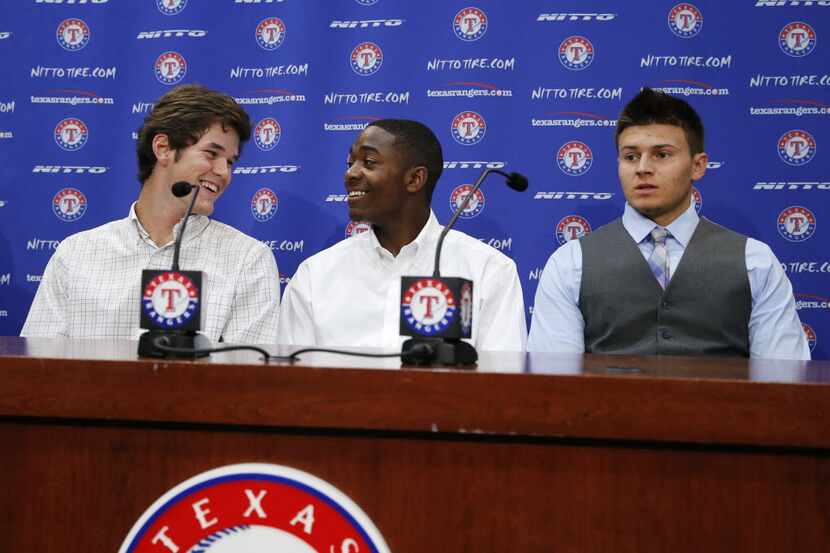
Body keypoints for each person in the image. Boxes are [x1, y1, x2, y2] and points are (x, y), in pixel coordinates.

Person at [528, 88, 809, 359]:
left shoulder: (755, 262)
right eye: (631, 156)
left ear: (698, 166)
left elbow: (784, 384)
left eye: (662, 154)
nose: (643, 168)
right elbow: (553, 388)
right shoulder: (569, 263)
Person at [21, 84, 280, 344]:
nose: (224, 172)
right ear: (163, 148)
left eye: (230, 162)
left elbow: (249, 377)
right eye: (212, 154)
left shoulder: (248, 261)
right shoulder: (76, 254)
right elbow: (36, 369)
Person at [278, 119, 527, 352]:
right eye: (350, 163)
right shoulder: (315, 275)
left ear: (415, 179)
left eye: (369, 163)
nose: (350, 174)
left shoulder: (489, 271)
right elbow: (287, 385)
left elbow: (502, 388)